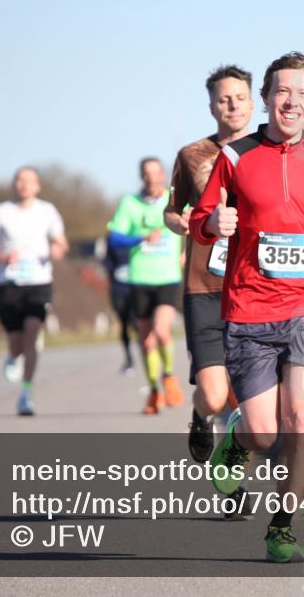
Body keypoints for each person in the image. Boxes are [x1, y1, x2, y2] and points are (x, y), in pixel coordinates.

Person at [190, 52, 304, 562]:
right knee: (264, 430)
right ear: (268, 98)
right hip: (249, 308)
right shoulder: (235, 159)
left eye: (303, 94)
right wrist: (212, 225)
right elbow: (202, 218)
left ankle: (283, 527)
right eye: (282, 92)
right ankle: (236, 440)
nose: (291, 101)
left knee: (301, 417)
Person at [164, 65, 252, 464]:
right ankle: (201, 414)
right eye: (223, 98)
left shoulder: (268, 152)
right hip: (205, 285)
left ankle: (232, 477)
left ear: (253, 103)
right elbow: (171, 210)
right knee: (215, 395)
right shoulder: (192, 155)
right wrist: (180, 221)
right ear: (212, 106)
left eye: (239, 97)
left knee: (248, 397)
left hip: (255, 286)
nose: (232, 105)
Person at [0, 166, 68, 416]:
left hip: (39, 283)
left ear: (37, 186)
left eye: (29, 180)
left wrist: (58, 249)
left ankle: (26, 394)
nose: (24, 184)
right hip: (9, 284)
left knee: (32, 333)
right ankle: (12, 355)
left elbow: (61, 241)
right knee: (17, 342)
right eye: (19, 179)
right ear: (14, 184)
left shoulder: (47, 211)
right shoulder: (0, 212)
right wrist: (1, 255)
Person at [107, 157, 184, 414]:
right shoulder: (129, 204)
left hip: (168, 277)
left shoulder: (173, 201)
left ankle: (169, 377)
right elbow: (115, 239)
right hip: (139, 279)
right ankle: (153, 392)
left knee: (162, 332)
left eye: (156, 172)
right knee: (146, 341)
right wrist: (140, 237)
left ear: (163, 174)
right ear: (141, 176)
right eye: (146, 173)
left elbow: (195, 224)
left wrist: (188, 252)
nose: (152, 178)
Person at [103, 238, 136, 376]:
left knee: (138, 323)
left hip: (136, 289)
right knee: (123, 323)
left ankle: (149, 353)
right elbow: (106, 262)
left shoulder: (137, 236)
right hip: (118, 290)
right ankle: (129, 359)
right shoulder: (112, 241)